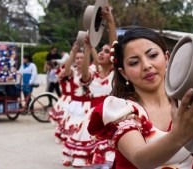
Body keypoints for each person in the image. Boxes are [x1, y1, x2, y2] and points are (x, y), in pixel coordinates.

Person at [87, 27, 193, 168]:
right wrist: (179, 135)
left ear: (167, 58)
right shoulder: (121, 110)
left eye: (153, 55)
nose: (147, 66)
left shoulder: (188, 103)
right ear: (124, 73)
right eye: (134, 63)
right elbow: (141, 159)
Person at [63, 4, 117, 168]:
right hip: (93, 119)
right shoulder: (92, 73)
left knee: (111, 160)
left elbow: (116, 46)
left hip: (113, 119)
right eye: (100, 51)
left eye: (106, 51)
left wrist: (110, 22)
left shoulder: (117, 75)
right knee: (93, 162)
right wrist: (87, 50)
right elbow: (84, 75)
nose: (101, 53)